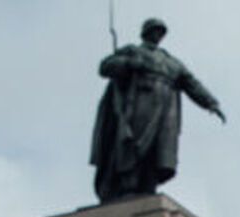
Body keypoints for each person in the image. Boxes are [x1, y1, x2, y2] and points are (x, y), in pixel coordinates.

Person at [90, 17, 226, 202]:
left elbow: (192, 84)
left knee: (158, 149)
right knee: (134, 144)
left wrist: (211, 103)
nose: (157, 34)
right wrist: (128, 64)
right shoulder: (133, 51)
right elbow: (105, 67)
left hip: (166, 108)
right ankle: (128, 186)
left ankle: (148, 186)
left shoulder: (172, 62)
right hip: (140, 100)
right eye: (154, 30)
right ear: (145, 32)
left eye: (161, 31)